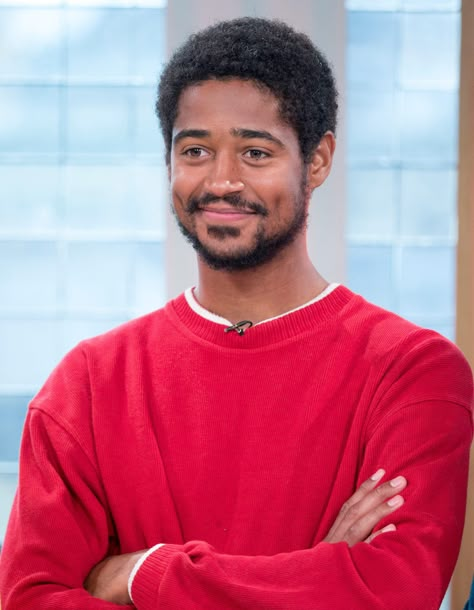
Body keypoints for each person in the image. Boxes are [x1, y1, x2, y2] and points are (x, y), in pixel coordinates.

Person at [0, 17, 472, 610]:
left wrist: (144, 574)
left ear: (318, 159)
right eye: (195, 150)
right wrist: (313, 578)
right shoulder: (88, 385)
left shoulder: (412, 372)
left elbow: (394, 592)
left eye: (255, 151)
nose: (222, 181)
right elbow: (31, 599)